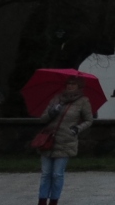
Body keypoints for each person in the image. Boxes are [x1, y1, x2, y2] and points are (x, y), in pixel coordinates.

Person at [35, 75, 93, 205]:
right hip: (48, 140)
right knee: (45, 174)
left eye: (73, 84)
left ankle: (54, 201)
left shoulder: (83, 101)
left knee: (57, 174)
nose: (70, 86)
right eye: (68, 83)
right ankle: (42, 201)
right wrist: (52, 112)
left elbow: (89, 120)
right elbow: (43, 119)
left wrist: (77, 128)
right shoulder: (57, 99)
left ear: (79, 86)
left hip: (66, 141)